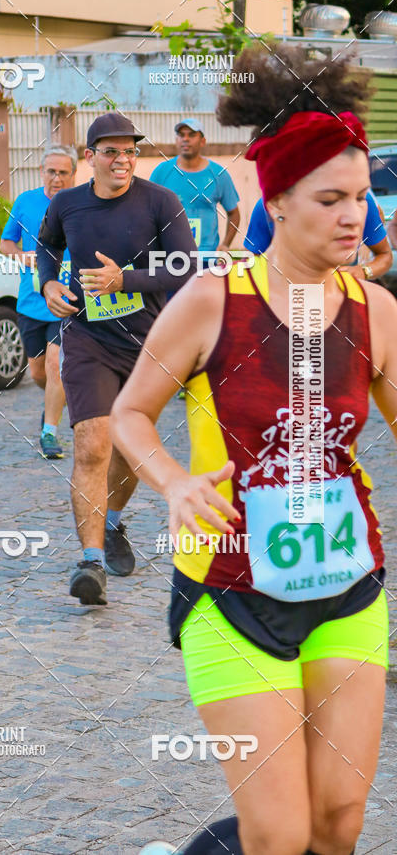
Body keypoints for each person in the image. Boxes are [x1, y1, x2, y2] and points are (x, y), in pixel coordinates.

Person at [111, 46, 397, 855]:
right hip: (229, 593)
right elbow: (133, 414)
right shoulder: (212, 302)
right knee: (278, 833)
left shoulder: (375, 310)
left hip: (347, 585)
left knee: (339, 823)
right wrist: (171, 481)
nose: (356, 217)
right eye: (332, 199)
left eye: (362, 196)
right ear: (277, 199)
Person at [36, 112, 195, 606]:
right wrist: (48, 283)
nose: (122, 159)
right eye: (111, 151)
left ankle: (112, 523)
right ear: (91, 158)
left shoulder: (160, 201)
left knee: (127, 452)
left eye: (130, 151)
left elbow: (187, 268)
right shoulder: (67, 204)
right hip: (87, 338)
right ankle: (90, 562)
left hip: (149, 344)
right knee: (91, 444)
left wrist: (126, 281)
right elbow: (46, 246)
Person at [0, 145, 76, 458]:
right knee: (38, 373)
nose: (56, 178)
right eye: (51, 171)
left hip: (67, 299)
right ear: (41, 172)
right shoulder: (25, 202)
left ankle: (50, 431)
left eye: (63, 172)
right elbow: (6, 242)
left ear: (73, 174)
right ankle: (56, 402)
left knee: (55, 364)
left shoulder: (81, 204)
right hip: (31, 301)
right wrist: (22, 257)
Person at [244, 191, 393, 280]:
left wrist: (364, 271)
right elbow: (252, 264)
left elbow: (385, 255)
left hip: (343, 306)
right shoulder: (268, 205)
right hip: (286, 308)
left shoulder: (362, 202)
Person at [149, 117, 240, 257]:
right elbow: (148, 211)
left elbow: (234, 213)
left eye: (191, 135)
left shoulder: (218, 174)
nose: (185, 139)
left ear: (203, 141)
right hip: (170, 257)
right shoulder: (162, 172)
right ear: (176, 140)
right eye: (181, 135)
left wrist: (226, 244)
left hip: (206, 258)